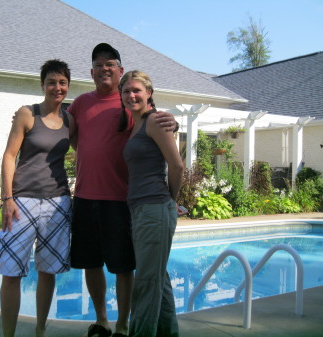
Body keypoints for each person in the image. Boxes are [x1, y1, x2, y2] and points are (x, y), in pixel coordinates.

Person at [68, 43, 178, 337]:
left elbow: (156, 124)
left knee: (123, 266)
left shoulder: (130, 104)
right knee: (90, 263)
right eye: (99, 64)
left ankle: (123, 325)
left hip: (121, 199)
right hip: (85, 196)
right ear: (91, 72)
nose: (105, 68)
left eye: (111, 64)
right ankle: (102, 320)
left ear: (119, 70)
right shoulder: (79, 104)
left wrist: (173, 123)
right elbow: (67, 135)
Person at [0, 59, 74, 337]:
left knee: (48, 271)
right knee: (11, 271)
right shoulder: (27, 114)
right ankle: (9, 334)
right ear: (42, 85)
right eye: (51, 82)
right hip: (22, 201)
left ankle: (40, 329)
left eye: (62, 82)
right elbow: (9, 155)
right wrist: (8, 198)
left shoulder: (70, 120)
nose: (57, 87)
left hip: (58, 203)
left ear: (68, 86)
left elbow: (90, 148)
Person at [119, 70, 184, 337]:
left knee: (146, 283)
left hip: (155, 209)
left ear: (149, 93)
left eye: (137, 90)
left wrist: (171, 200)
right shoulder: (135, 125)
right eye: (126, 91)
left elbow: (177, 165)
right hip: (142, 210)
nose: (132, 95)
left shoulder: (154, 121)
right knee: (158, 279)